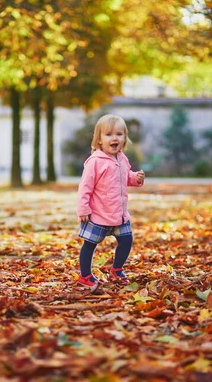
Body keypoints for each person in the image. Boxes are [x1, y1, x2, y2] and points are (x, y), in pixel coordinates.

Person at [76, 114, 145, 290]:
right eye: (108, 134)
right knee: (90, 244)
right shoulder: (95, 162)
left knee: (127, 240)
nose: (114, 138)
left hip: (119, 214)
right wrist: (83, 209)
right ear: (99, 140)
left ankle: (117, 269)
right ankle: (85, 275)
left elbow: (125, 178)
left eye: (119, 134)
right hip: (98, 214)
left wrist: (135, 178)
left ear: (125, 138)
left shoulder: (122, 159)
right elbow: (85, 187)